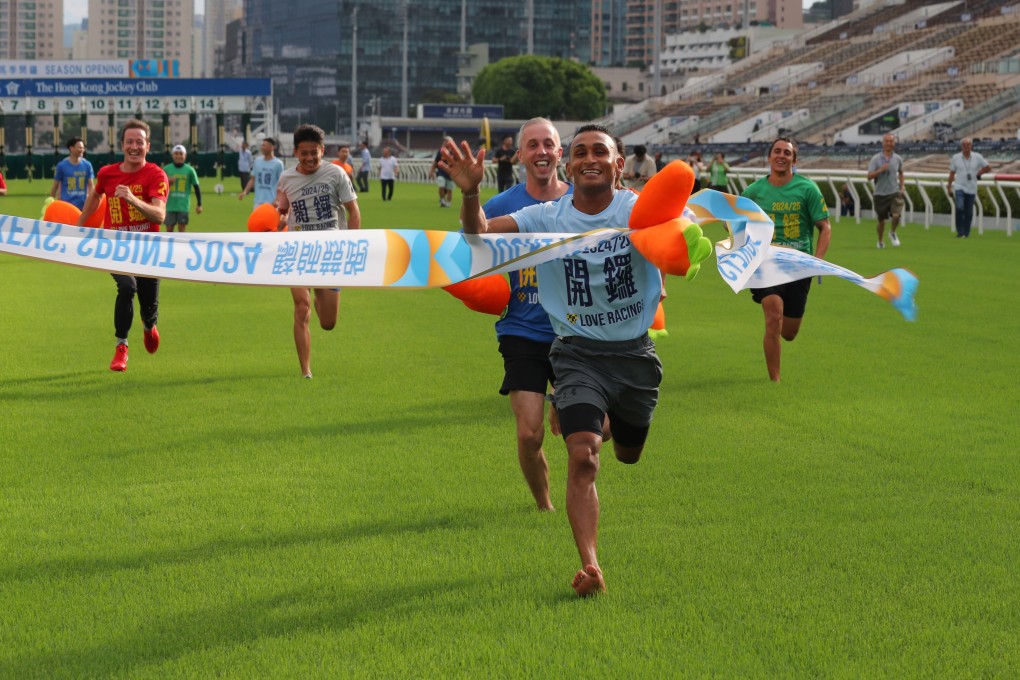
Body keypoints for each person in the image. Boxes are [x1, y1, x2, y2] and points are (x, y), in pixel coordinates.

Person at [441, 123, 668, 598]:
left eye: (600, 151)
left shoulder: (638, 209)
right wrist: (469, 194)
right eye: (581, 151)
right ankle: (590, 565)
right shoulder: (547, 215)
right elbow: (478, 236)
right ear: (569, 164)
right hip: (575, 351)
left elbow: (682, 237)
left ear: (618, 164)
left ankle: (604, 418)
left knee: (628, 453)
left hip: (633, 355)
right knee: (583, 455)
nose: (590, 158)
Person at [475, 117, 572, 512]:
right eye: (532, 145)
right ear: (520, 155)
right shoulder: (502, 205)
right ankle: (545, 508)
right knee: (530, 436)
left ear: (559, 152)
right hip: (522, 331)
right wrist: (469, 195)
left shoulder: (581, 201)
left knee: (594, 431)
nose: (542, 151)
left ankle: (561, 405)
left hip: (575, 331)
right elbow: (473, 235)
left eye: (548, 144)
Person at [77, 120, 169, 372]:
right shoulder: (107, 173)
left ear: (148, 146)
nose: (134, 146)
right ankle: (121, 347)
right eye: (129, 141)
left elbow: (159, 216)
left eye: (139, 142)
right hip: (115, 248)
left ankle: (149, 326)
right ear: (122, 145)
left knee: (149, 308)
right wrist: (79, 225)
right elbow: (95, 197)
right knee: (127, 287)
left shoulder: (156, 175)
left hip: (148, 250)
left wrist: (132, 199)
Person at [741, 138, 831, 383]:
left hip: (798, 266)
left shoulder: (808, 189)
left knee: (789, 332)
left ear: (794, 160)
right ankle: (775, 381)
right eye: (777, 151)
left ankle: (778, 343)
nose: (782, 156)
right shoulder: (753, 192)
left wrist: (818, 262)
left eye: (787, 153)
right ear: (769, 157)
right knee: (774, 315)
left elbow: (825, 227)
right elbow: (737, 223)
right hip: (765, 264)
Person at [275, 124, 361, 379]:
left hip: (331, 252)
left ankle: (320, 294)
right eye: (304, 153)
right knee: (301, 309)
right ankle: (305, 371)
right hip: (297, 251)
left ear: (322, 150)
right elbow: (281, 208)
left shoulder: (336, 174)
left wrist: (352, 246)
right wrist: (280, 217)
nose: (310, 158)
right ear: (295, 152)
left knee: (328, 323)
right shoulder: (287, 178)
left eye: (315, 152)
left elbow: (354, 211)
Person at [947, 137, 991, 239]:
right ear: (961, 146)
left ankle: (966, 234)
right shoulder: (956, 157)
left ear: (971, 146)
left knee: (969, 212)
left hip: (971, 188)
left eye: (968, 144)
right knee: (959, 207)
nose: (966, 146)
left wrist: (979, 173)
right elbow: (952, 173)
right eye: (964, 145)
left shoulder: (977, 157)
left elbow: (988, 166)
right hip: (959, 187)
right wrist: (949, 187)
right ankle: (960, 231)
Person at [867, 133, 905, 248]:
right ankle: (880, 241)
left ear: (894, 143)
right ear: (883, 143)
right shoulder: (876, 159)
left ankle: (892, 232)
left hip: (894, 192)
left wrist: (902, 187)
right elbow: (869, 176)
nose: (889, 143)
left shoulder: (898, 158)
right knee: (881, 221)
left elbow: (901, 172)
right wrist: (880, 170)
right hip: (880, 194)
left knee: (896, 215)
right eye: (886, 141)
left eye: (891, 141)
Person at [162, 145, 202, 233]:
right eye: (176, 153)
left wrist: (199, 204)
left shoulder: (190, 170)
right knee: (169, 229)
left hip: (183, 205)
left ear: (185, 155)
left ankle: (181, 246)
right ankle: (169, 246)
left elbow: (196, 187)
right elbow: (158, 185)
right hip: (169, 205)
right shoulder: (166, 169)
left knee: (182, 229)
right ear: (172, 155)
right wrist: (167, 181)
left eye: (181, 154)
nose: (178, 156)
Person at [50, 137, 95, 209]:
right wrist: (51, 201)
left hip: (83, 206)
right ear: (71, 148)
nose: (82, 150)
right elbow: (55, 185)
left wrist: (93, 201)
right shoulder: (62, 166)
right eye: (79, 148)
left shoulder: (87, 165)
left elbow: (91, 185)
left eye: (83, 148)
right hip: (66, 206)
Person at [239, 137, 285, 207]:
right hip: (258, 202)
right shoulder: (257, 161)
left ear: (272, 147)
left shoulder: (278, 164)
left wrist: (277, 199)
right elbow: (253, 179)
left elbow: (282, 184)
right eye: (262, 145)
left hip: (272, 203)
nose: (262, 147)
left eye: (264, 145)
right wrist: (245, 191)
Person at [429, 136, 455, 207]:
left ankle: (448, 203)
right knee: (441, 186)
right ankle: (442, 200)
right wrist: (431, 171)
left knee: (449, 190)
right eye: (444, 141)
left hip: (451, 174)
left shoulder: (454, 152)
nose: (444, 142)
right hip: (441, 173)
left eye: (446, 141)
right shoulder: (440, 152)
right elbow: (435, 162)